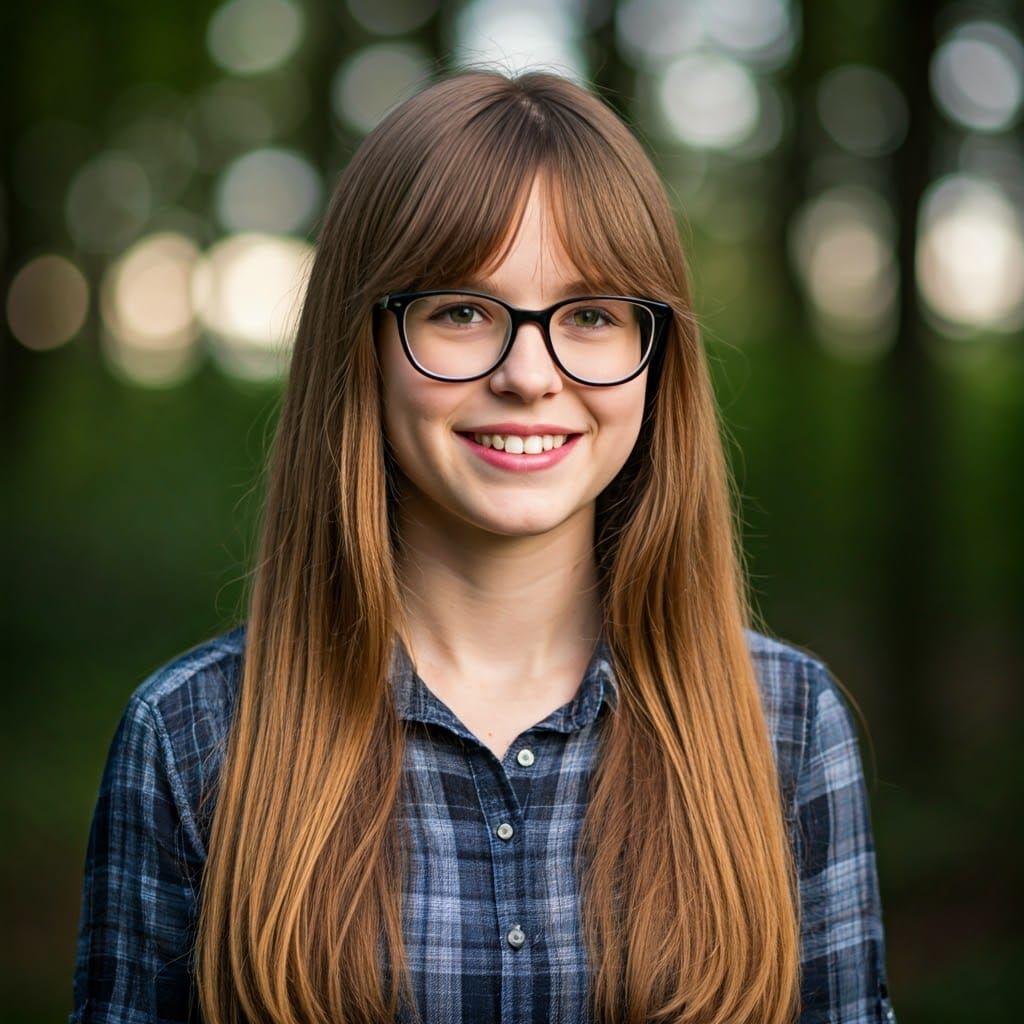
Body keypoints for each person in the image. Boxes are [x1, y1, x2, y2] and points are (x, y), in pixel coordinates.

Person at [70, 70, 896, 1024]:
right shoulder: (191, 737)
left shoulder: (785, 725)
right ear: (363, 345)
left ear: (656, 355)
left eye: (592, 314)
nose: (529, 376)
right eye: (461, 310)